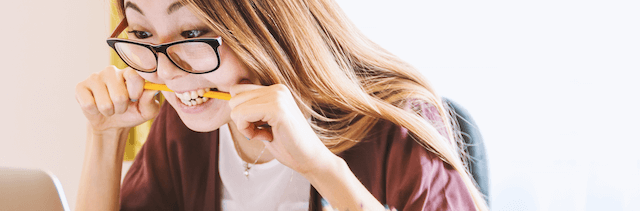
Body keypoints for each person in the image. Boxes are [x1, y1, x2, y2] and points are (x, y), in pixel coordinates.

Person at [75, 0, 489, 210]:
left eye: (194, 31)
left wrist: (321, 168)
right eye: (144, 34)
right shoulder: (186, 125)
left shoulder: (395, 126)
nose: (165, 71)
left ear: (265, 22)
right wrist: (105, 136)